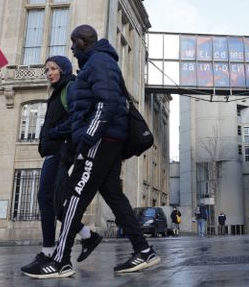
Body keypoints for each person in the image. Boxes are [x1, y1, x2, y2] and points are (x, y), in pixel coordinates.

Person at [23, 25, 160, 279]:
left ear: (82, 41)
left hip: (102, 139)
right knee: (113, 194)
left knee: (75, 193)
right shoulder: (95, 63)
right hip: (107, 138)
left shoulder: (98, 61)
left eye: (74, 45)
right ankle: (143, 250)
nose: (72, 50)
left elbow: (106, 101)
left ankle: (61, 260)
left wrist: (88, 136)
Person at [20, 56, 101, 275]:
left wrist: (55, 133)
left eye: (53, 68)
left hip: (61, 151)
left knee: (45, 198)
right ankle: (86, 235)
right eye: (47, 69)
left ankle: (48, 251)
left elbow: (78, 115)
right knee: (53, 202)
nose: (49, 72)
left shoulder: (70, 87)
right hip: (54, 151)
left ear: (64, 70)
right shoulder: (58, 92)